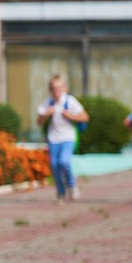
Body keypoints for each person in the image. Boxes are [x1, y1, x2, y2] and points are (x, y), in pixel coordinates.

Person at [36, 74, 88, 204]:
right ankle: (60, 193)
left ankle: (71, 184)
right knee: (54, 165)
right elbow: (39, 121)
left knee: (64, 161)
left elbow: (85, 117)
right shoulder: (48, 102)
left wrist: (70, 116)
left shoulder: (69, 101)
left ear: (65, 88)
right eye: (53, 88)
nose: (56, 91)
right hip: (53, 138)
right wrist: (46, 114)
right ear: (50, 90)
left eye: (59, 88)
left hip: (67, 137)